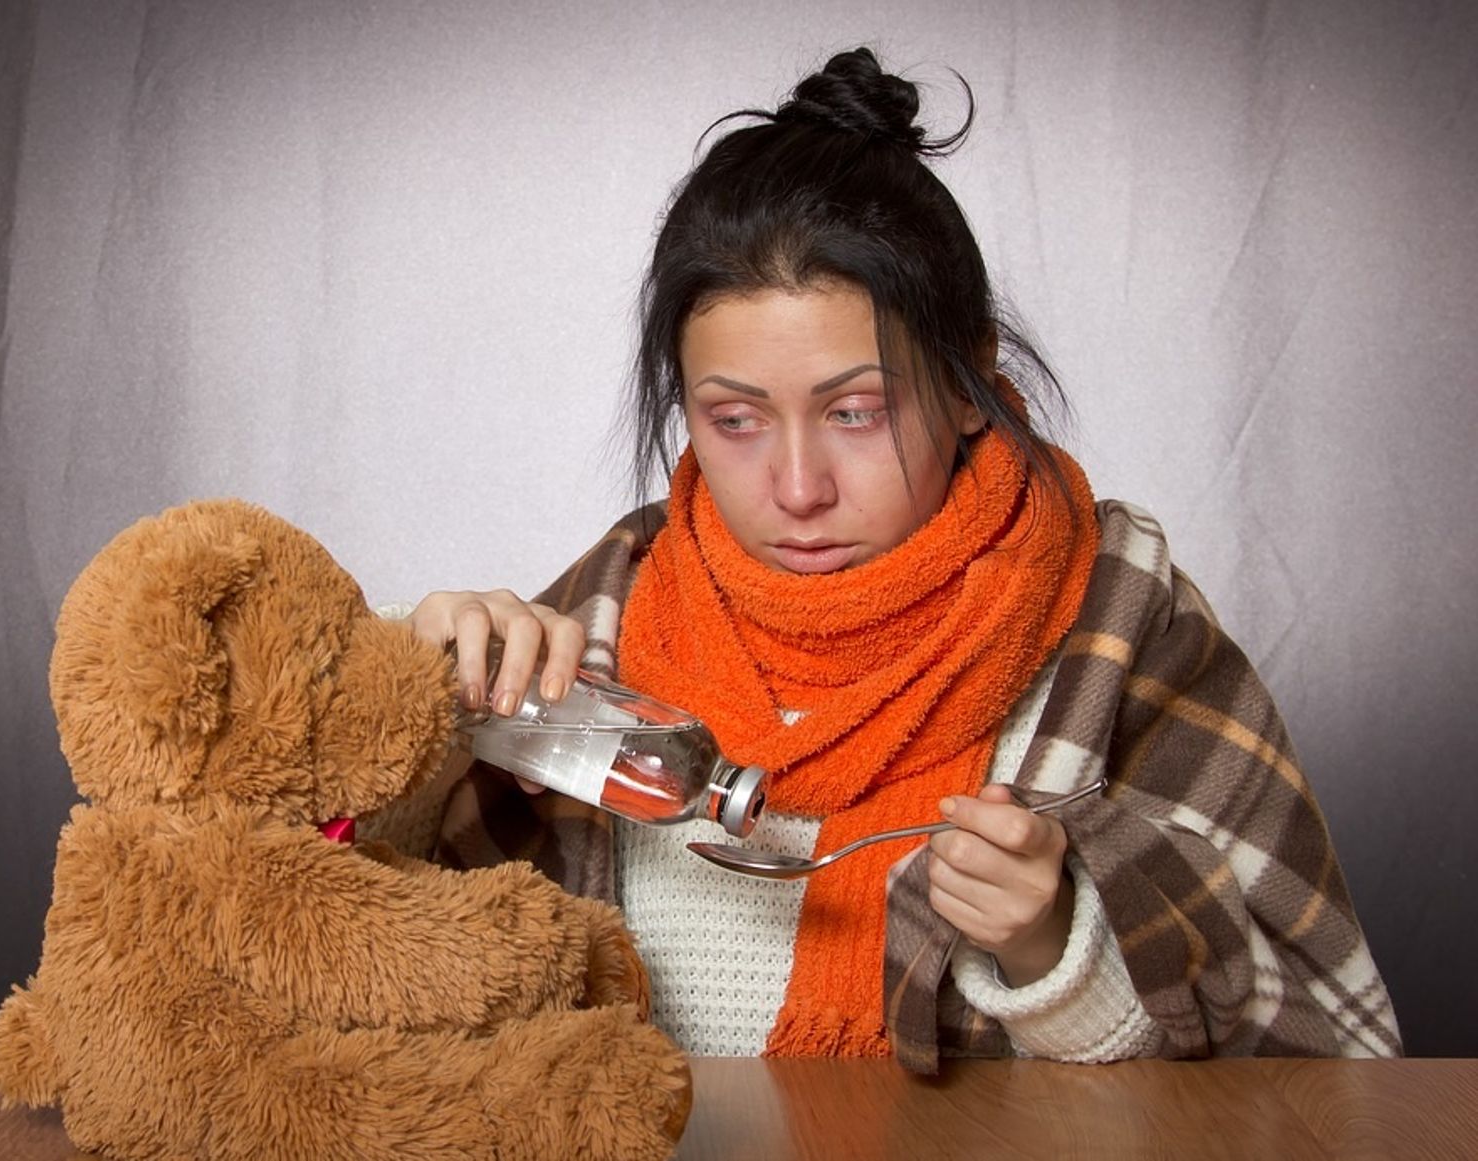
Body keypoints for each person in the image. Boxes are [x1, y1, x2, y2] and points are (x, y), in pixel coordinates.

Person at [409, 48, 1400, 1069]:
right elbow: (358, 975)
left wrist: (1058, 948)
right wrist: (415, 730)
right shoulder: (607, 610)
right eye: (736, 420)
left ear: (968, 383)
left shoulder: (1118, 626)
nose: (800, 488)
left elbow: (1333, 1059)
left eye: (856, 412)